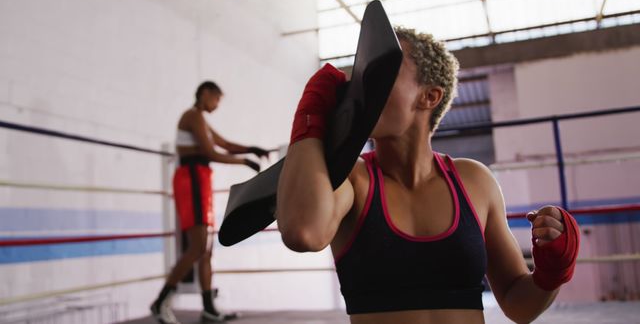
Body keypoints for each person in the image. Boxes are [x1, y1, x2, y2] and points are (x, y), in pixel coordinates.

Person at [276, 27, 580, 324]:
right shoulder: (353, 179)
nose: (365, 86)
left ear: (429, 96)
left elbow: (519, 306)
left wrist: (552, 273)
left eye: (385, 72)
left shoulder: (474, 180)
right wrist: (310, 115)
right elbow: (304, 233)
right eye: (364, 74)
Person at [151, 81, 269, 324]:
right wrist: (245, 162)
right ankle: (160, 302)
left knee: (205, 249)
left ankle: (208, 308)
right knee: (197, 247)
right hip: (191, 177)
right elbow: (210, 152)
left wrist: (251, 148)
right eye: (216, 99)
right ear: (205, 93)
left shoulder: (200, 120)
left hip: (200, 179)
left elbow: (223, 144)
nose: (217, 104)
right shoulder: (192, 116)